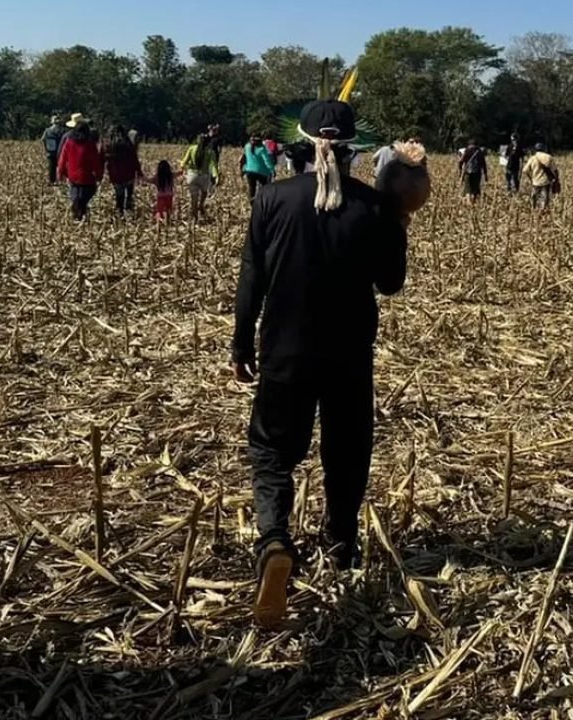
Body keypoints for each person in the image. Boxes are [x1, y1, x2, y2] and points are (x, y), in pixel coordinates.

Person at [231, 99, 409, 628]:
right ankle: (341, 546)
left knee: (271, 449)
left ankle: (274, 540)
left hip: (284, 351)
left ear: (303, 145)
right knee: (346, 452)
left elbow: (252, 276)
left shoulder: (272, 198)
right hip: (349, 354)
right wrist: (399, 219)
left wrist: (241, 343)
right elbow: (390, 283)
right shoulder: (372, 206)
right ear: (352, 149)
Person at [57, 113, 103, 221]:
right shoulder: (90, 143)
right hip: (87, 177)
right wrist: (99, 175)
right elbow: (95, 161)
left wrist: (60, 173)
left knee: (76, 195)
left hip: (72, 175)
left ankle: (77, 213)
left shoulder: (69, 142)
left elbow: (62, 159)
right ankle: (81, 213)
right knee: (85, 196)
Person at [102, 125, 143, 218]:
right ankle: (128, 210)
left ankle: (119, 213)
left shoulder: (109, 145)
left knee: (119, 195)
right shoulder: (128, 144)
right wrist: (139, 172)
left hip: (116, 175)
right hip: (129, 174)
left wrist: (100, 172)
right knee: (129, 194)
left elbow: (103, 159)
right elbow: (134, 159)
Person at [180, 134, 218, 222]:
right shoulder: (210, 152)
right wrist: (216, 176)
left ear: (197, 141)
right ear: (208, 142)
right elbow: (213, 166)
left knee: (194, 198)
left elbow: (184, 162)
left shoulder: (191, 148)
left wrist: (182, 167)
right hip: (204, 177)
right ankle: (201, 205)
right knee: (204, 192)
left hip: (192, 176)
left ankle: (195, 218)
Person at [522, 142, 558, 211]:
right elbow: (555, 170)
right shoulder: (549, 157)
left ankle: (534, 209)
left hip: (535, 182)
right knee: (545, 197)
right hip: (546, 181)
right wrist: (556, 180)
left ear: (535, 149)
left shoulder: (532, 158)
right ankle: (543, 210)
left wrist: (531, 178)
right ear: (544, 149)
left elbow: (525, 170)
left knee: (534, 196)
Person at [242, 134, 277, 201]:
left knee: (252, 188)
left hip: (249, 170)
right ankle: (263, 201)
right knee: (265, 188)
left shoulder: (247, 146)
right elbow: (267, 161)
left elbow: (245, 158)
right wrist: (272, 170)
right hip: (261, 172)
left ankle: (252, 202)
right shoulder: (261, 149)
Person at [458, 139, 487, 204]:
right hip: (477, 172)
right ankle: (473, 201)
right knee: (475, 188)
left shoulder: (467, 151)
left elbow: (461, 161)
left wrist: (460, 169)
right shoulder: (479, 152)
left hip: (468, 172)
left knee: (467, 188)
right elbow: (483, 163)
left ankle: (468, 202)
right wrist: (485, 174)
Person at [41, 116, 66, 185]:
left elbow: (43, 140)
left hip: (51, 152)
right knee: (61, 166)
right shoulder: (63, 130)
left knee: (52, 168)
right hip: (60, 152)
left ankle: (52, 181)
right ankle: (61, 181)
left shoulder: (47, 130)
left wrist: (46, 149)